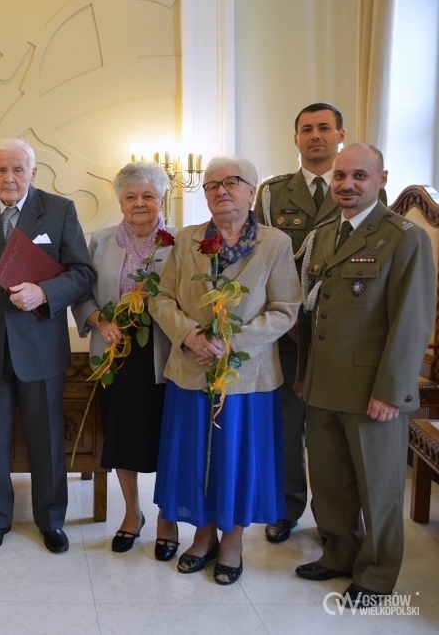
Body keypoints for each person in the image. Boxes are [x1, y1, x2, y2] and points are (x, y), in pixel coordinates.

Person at [294, 143, 435, 607]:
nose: (347, 184)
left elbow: (412, 321)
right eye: (340, 175)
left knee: (378, 487)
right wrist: (304, 373)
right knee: (330, 481)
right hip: (323, 383)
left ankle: (376, 575)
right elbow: (312, 313)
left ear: (381, 179)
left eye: (359, 176)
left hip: (373, 388)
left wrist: (392, 391)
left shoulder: (403, 238)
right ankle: (339, 552)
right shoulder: (324, 233)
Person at [150, 156, 300, 585]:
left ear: (252, 191)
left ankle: (232, 540)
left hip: (247, 376)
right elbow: (161, 297)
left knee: (235, 460)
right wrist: (192, 336)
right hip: (191, 369)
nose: (221, 190)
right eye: (212, 185)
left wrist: (230, 343)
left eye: (232, 182)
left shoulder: (275, 243)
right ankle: (204, 535)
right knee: (195, 457)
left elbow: (285, 309)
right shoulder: (187, 240)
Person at [0, 138, 96, 554]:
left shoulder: (59, 209)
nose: (9, 178)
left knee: (46, 439)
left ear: (33, 173)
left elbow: (82, 273)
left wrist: (44, 293)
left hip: (40, 344)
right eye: (1, 170)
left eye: (18, 170)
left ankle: (51, 520)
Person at [254, 103, 382, 544]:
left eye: (324, 128)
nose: (315, 136)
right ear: (295, 139)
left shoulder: (360, 186)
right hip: (288, 333)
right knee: (287, 430)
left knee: (336, 436)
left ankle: (338, 523)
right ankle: (285, 509)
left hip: (342, 334)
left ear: (340, 135)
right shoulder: (272, 194)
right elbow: (263, 259)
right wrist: (286, 318)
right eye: (306, 129)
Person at [71, 161, 178, 560]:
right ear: (119, 201)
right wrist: (99, 322)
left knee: (168, 439)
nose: (139, 203)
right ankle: (132, 513)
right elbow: (81, 293)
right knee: (121, 437)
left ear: (162, 199)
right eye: (131, 196)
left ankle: (167, 518)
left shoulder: (181, 242)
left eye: (148, 195)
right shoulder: (100, 241)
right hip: (115, 356)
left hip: (167, 356)